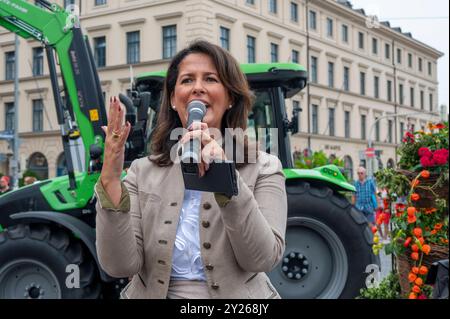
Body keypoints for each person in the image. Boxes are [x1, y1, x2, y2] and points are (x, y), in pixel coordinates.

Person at [95, 40, 287, 299]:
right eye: (187, 80)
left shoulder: (264, 167)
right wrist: (110, 177)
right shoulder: (142, 172)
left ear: (230, 97)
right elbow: (119, 266)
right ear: (174, 99)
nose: (198, 88)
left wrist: (224, 175)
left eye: (210, 79)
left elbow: (261, 259)